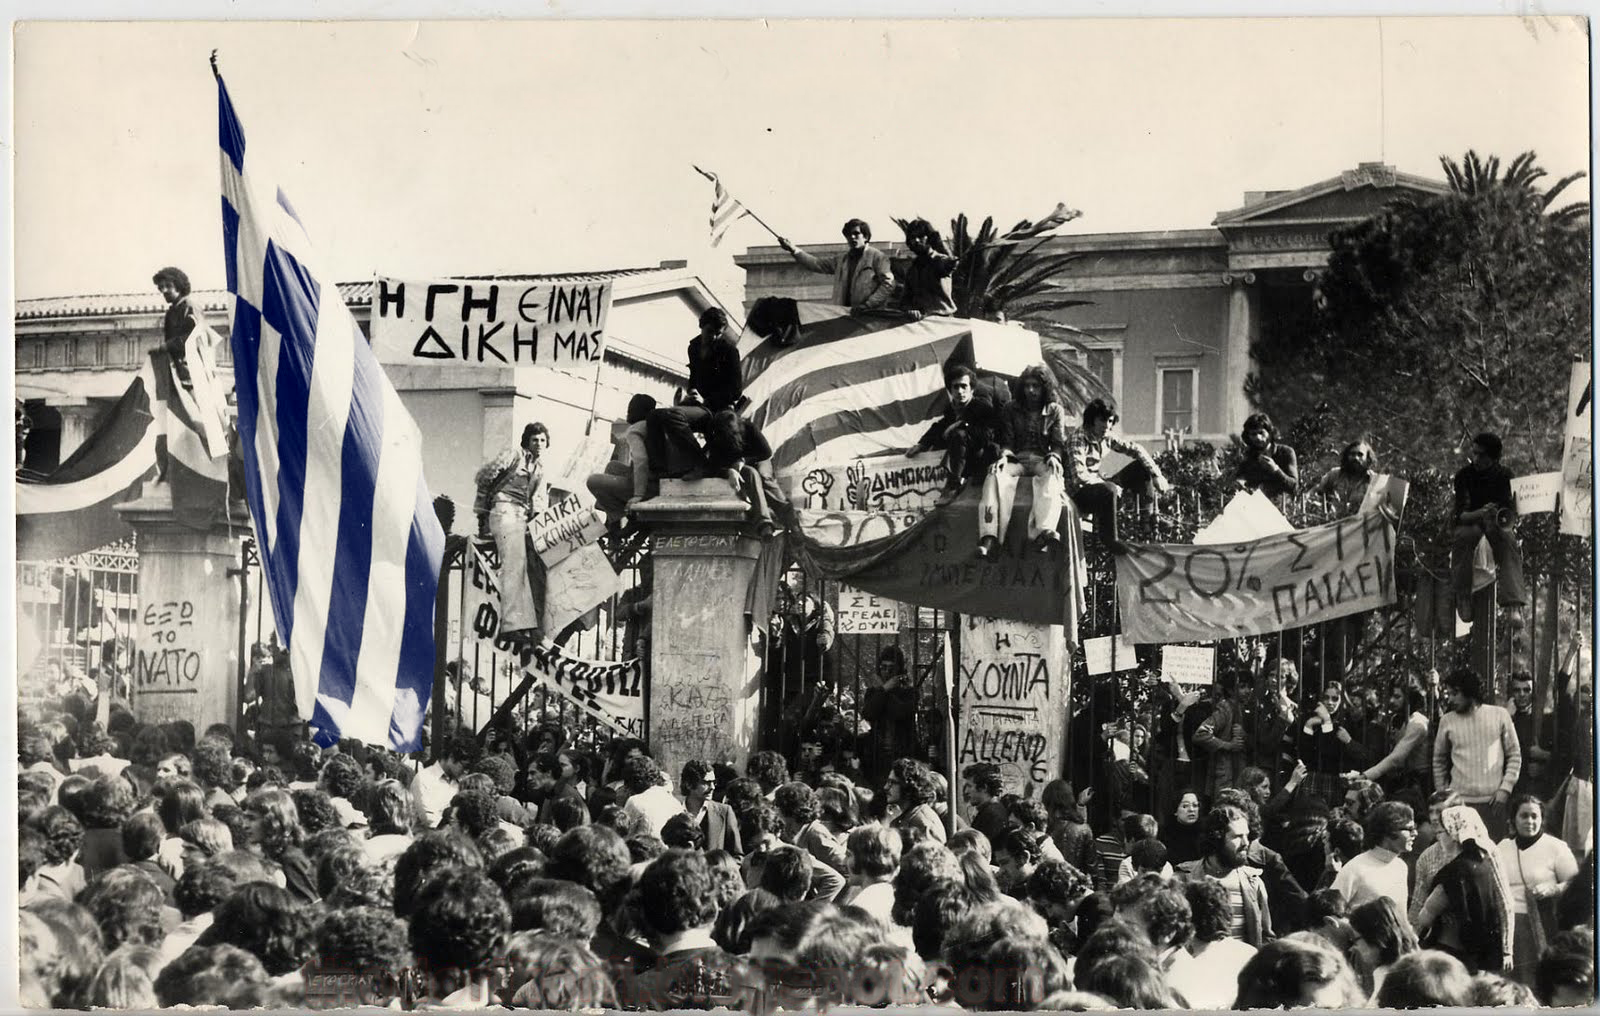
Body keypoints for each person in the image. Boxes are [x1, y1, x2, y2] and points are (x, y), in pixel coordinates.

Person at [977, 365, 1071, 558]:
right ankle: (989, 536)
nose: (1031, 390)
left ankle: (1044, 532)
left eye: (1035, 386)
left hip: (1041, 460)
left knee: (1052, 475)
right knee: (994, 475)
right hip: (1017, 459)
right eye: (1027, 385)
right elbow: (1007, 441)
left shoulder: (1055, 410)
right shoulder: (1011, 408)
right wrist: (1003, 457)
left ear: (1044, 388)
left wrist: (1054, 456)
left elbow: (1058, 442)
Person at [1414, 804, 1514, 974]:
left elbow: (1425, 917)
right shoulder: (1485, 865)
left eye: (1441, 832)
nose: (1439, 838)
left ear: (1453, 834)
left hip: (1450, 952)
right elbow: (1504, 904)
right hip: (1478, 955)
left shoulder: (1454, 871)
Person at [474, 422, 551, 644]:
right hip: (504, 509)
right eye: (535, 439)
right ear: (527, 440)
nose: (539, 444)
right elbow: (485, 475)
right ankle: (510, 625)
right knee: (513, 567)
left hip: (522, 517)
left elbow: (539, 501)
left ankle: (521, 625)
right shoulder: (514, 455)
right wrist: (481, 508)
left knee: (522, 568)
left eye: (543, 440)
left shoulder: (540, 468)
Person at [1064, 397, 1170, 555]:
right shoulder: (1077, 439)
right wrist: (1111, 487)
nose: (1106, 425)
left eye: (1110, 421)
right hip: (1078, 495)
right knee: (1109, 489)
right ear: (1092, 420)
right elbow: (1080, 477)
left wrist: (1157, 475)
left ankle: (1146, 524)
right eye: (1102, 420)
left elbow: (1136, 449)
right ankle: (1109, 539)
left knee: (1141, 468)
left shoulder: (1105, 436)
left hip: (1099, 486)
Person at [1497, 793, 1580, 985]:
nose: (1529, 821)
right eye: (1524, 816)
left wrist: (1552, 889)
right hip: (1507, 923)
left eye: (1535, 816)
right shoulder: (1503, 847)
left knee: (1535, 979)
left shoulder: (1556, 847)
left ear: (1542, 819)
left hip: (1541, 920)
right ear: (1513, 819)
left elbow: (1574, 884)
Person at [1433, 667, 1522, 841]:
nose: (1450, 699)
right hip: (1458, 803)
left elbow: (1514, 755)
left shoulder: (1500, 715)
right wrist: (1443, 793)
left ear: (1469, 692)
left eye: (1455, 693)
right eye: (1449, 694)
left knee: (1493, 855)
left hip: (1493, 804)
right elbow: (1438, 760)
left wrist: (1505, 789)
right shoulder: (1447, 720)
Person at [1449, 431, 1527, 623]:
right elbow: (1460, 515)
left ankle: (1513, 605)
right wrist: (1481, 513)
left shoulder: (1506, 475)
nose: (1475, 458)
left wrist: (1498, 517)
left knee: (1508, 541)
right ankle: (1463, 595)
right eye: (1474, 453)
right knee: (1464, 538)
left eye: (1481, 455)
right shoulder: (1463, 476)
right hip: (1471, 523)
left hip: (1495, 525)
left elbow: (1511, 512)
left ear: (1494, 458)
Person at [904, 363, 1003, 504]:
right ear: (950, 390)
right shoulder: (952, 409)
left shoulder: (982, 407)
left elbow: (987, 435)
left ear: (972, 389)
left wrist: (962, 425)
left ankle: (953, 484)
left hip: (983, 457)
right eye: (955, 387)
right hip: (963, 458)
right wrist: (922, 444)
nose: (960, 391)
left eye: (964, 386)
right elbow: (939, 427)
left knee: (958, 435)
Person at [1176, 805, 1273, 946]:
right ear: (1216, 837)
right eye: (1238, 836)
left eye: (1247, 835)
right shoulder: (1184, 879)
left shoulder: (1253, 882)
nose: (1246, 843)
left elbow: (1266, 937)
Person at [777, 219, 895, 313]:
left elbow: (888, 284)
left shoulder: (878, 257)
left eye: (856, 233)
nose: (852, 237)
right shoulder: (841, 260)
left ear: (866, 237)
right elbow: (816, 264)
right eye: (849, 234)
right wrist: (793, 249)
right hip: (843, 316)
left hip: (870, 316)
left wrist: (868, 305)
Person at [1331, 800, 1417, 928]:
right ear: (1388, 831)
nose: (1415, 833)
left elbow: (1401, 918)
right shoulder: (1356, 868)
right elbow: (1330, 915)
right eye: (1409, 829)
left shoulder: (1401, 867)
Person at [1360, 677, 1432, 797]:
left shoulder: (1417, 723)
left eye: (1397, 697)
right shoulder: (1396, 718)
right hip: (1400, 779)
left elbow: (1396, 758)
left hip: (1419, 781)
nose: (1392, 701)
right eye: (1391, 696)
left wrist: (1366, 776)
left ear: (1410, 699)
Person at [1348, 897, 1419, 996]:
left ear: (1377, 938)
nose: (1353, 948)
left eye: (1356, 940)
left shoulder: (1398, 982)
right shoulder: (1391, 971)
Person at [152, 266, 206, 388]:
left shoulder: (190, 307)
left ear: (179, 286)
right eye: (161, 287)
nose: (164, 290)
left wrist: (168, 346)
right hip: (177, 371)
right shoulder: (171, 312)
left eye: (168, 286)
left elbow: (196, 337)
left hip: (191, 372)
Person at [897, 218, 958, 318]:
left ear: (930, 238)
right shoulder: (912, 269)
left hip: (943, 321)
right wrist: (910, 310)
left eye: (921, 236)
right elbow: (905, 300)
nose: (916, 240)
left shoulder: (940, 260)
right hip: (920, 323)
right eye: (913, 237)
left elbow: (946, 267)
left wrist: (951, 263)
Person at [1506, 670, 1552, 801]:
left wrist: (1544, 759)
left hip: (1537, 789)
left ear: (1533, 692)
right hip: (1511, 788)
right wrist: (1507, 717)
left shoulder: (1546, 718)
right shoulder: (1505, 716)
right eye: (1517, 690)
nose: (1522, 694)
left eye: (1527, 690)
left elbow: (1562, 757)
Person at [1234, 412, 1299, 497]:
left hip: (1282, 506)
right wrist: (1240, 483)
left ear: (1270, 433)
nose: (1258, 437)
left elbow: (1294, 487)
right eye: (1253, 434)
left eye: (1261, 433)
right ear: (1248, 436)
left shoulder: (1286, 452)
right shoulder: (1247, 457)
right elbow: (1240, 483)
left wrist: (1275, 470)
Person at [1314, 439, 1376, 517]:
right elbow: (1316, 492)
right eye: (1352, 454)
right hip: (1333, 523)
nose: (1356, 458)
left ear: (1367, 459)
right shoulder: (1334, 475)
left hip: (1361, 525)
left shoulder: (1374, 481)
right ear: (1346, 456)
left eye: (1360, 455)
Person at [1161, 791, 1204, 866]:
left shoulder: (1205, 833)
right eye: (1185, 806)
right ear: (1175, 811)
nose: (1191, 809)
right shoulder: (1164, 834)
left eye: (1195, 805)